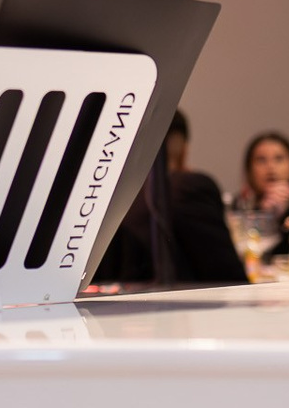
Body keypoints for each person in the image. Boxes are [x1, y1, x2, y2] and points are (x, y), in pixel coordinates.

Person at [92, 110, 247, 286]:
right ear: (181, 146)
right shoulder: (189, 188)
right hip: (178, 302)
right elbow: (228, 276)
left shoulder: (101, 198)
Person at [233, 131, 289, 259]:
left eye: (279, 159)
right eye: (261, 160)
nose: (270, 167)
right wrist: (264, 215)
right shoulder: (237, 211)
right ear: (249, 170)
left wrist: (285, 214)